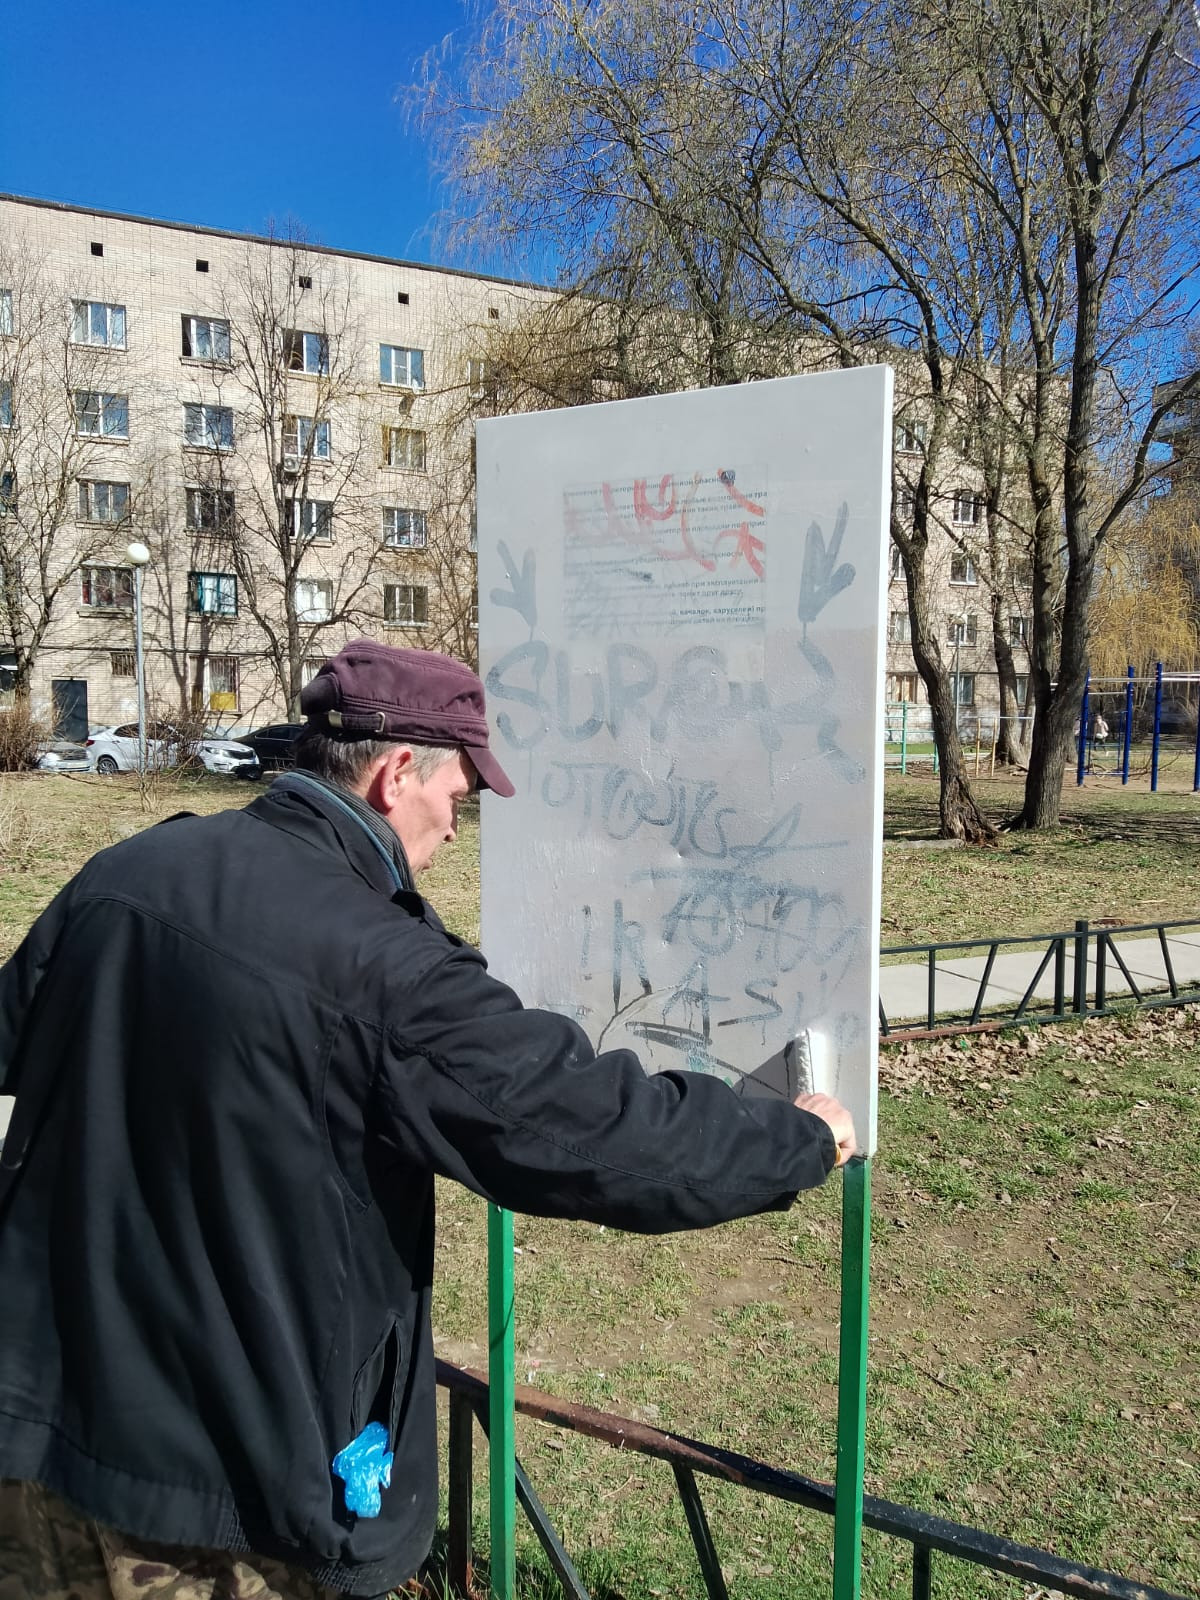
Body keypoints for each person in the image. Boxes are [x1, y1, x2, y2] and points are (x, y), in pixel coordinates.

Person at [0, 638, 856, 1600]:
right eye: (461, 794)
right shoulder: (386, 970)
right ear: (396, 773)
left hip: (33, 1440)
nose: (456, 825)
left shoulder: (128, 872)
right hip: (214, 1515)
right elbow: (593, 1132)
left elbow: (14, 1041)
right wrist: (796, 1137)